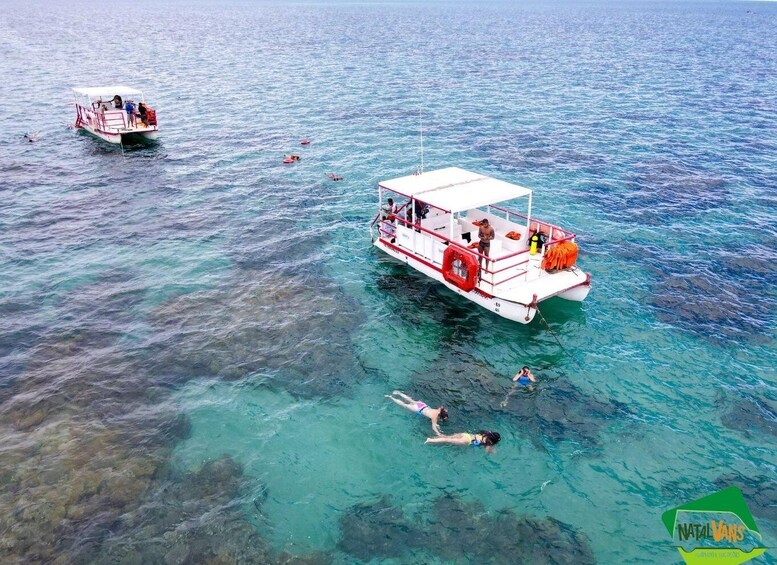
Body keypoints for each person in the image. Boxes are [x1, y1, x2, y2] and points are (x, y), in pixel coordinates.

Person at [425, 430, 501, 453]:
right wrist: (493, 450)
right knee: (447, 440)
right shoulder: (489, 442)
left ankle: (435, 436)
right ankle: (430, 440)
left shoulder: (486, 433)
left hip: (466, 435)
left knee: (447, 436)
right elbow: (487, 451)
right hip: (467, 440)